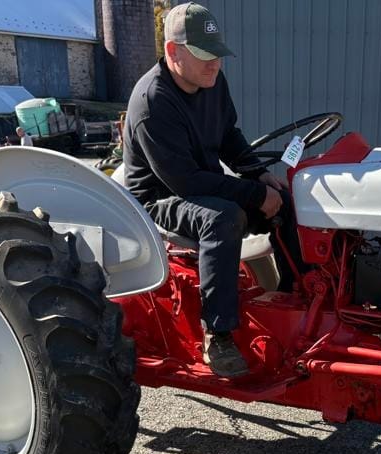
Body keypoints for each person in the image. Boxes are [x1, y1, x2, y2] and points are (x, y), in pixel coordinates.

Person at [122, 2, 303, 379]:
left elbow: (229, 135)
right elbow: (185, 182)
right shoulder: (153, 102)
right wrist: (254, 195)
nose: (215, 64)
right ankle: (217, 335)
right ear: (173, 51)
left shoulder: (210, 81)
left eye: (218, 54)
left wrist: (258, 174)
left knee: (286, 199)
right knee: (223, 218)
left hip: (199, 182)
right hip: (158, 199)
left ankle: (295, 294)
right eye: (205, 55)